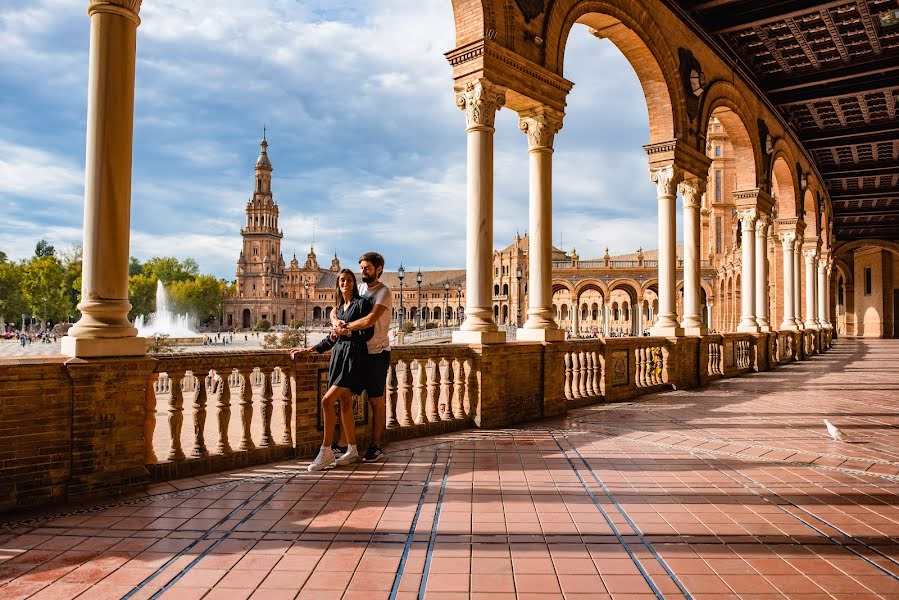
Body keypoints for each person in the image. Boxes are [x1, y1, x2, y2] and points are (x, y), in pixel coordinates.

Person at [291, 269, 374, 471]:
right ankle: (352, 450)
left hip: (353, 358)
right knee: (345, 404)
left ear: (354, 283)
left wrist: (349, 331)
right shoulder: (340, 309)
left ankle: (326, 451)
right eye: (342, 281)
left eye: (348, 280)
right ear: (338, 284)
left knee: (327, 401)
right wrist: (312, 349)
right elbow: (332, 338)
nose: (345, 283)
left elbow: (368, 333)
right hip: (339, 356)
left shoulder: (361, 304)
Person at [334, 252, 393, 463]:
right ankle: (343, 445)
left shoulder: (384, 293)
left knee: (376, 401)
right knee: (345, 397)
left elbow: (370, 320)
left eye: (367, 268)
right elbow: (338, 308)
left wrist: (346, 327)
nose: (363, 271)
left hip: (377, 353)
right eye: (361, 268)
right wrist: (335, 321)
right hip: (358, 353)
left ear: (379, 269)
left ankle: (376, 445)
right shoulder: (358, 289)